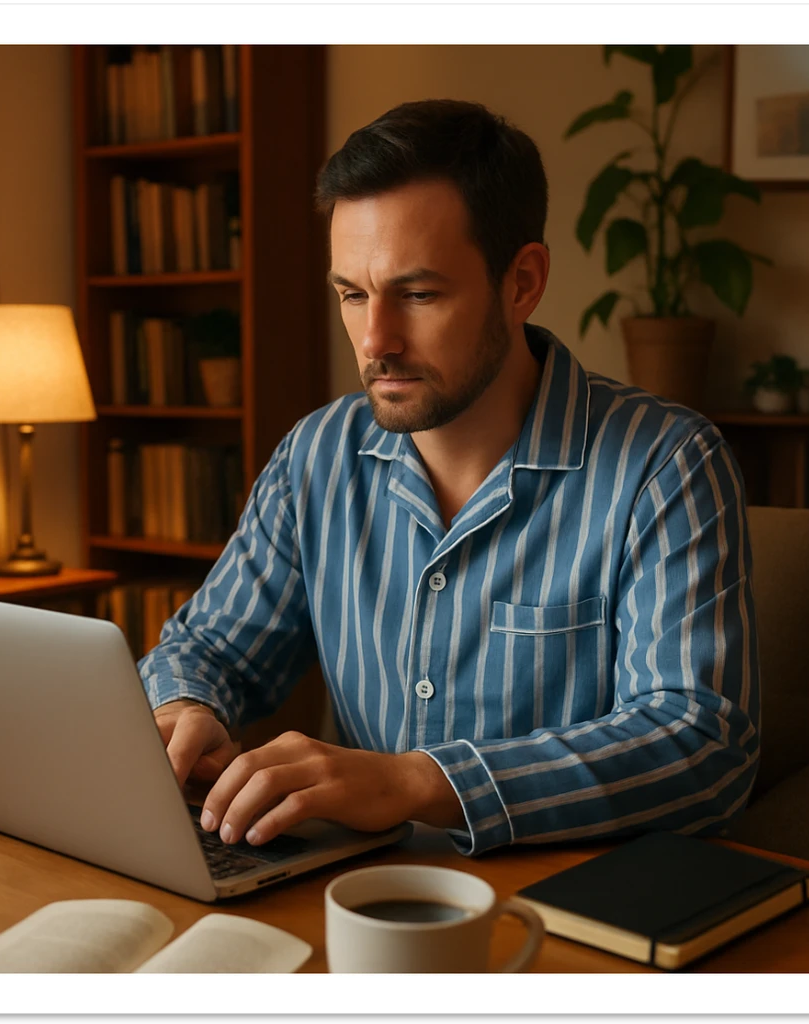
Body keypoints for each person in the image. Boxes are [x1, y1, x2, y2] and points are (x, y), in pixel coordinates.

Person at [139, 99, 760, 857]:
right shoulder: (318, 456)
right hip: (363, 903)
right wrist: (184, 704)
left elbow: (701, 747)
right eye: (353, 294)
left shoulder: (665, 464)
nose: (376, 343)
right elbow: (207, 647)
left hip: (567, 917)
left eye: (419, 294)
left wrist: (420, 783)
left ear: (523, 281)